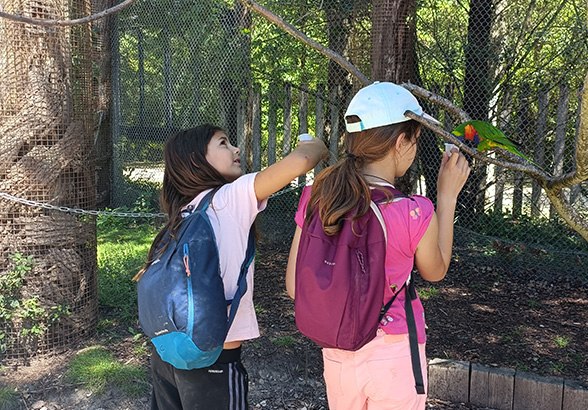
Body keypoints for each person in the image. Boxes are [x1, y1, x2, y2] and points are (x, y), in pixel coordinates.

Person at [285, 82, 470, 410]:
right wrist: (447, 196)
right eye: (414, 139)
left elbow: (293, 286)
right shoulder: (414, 211)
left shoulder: (317, 197)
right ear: (402, 142)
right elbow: (436, 270)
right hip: (394, 356)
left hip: (337, 353)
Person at [136, 124, 328, 410]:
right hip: (215, 358)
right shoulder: (229, 198)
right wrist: (317, 145)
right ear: (195, 160)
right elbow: (301, 161)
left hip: (167, 353)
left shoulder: (184, 211)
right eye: (224, 143)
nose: (236, 149)